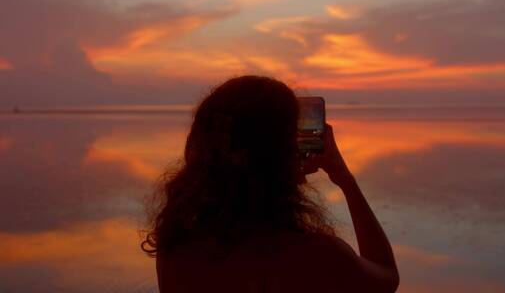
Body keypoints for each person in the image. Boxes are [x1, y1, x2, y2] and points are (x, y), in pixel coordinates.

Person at [142, 75, 399, 292]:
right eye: (294, 137)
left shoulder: (175, 249)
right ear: (281, 153)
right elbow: (386, 278)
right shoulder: (315, 255)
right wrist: (345, 179)